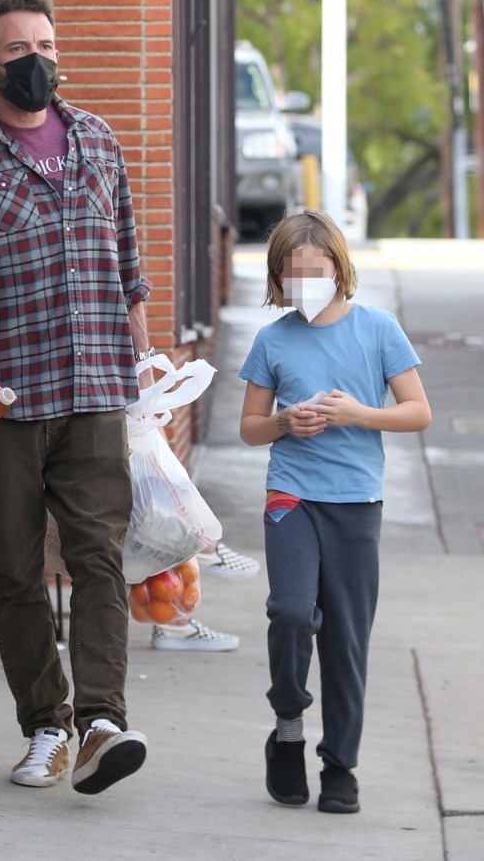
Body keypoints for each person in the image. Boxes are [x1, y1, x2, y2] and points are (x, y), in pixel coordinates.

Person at [0, 0, 154, 795]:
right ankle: (47, 724)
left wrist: (144, 367)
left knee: (100, 557)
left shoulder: (98, 139)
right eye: (17, 50)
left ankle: (104, 721)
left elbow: (127, 262)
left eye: (45, 43)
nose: (36, 60)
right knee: (14, 569)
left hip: (92, 388)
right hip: (1, 400)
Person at [238, 209, 431, 814]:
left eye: (315, 271)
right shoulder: (272, 339)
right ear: (277, 279)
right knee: (292, 614)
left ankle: (340, 764)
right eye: (291, 275)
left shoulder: (378, 329)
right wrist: (283, 423)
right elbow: (249, 429)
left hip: (355, 502)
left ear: (339, 268)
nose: (305, 284)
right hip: (291, 495)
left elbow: (418, 411)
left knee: (346, 640)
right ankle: (288, 726)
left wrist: (360, 415)